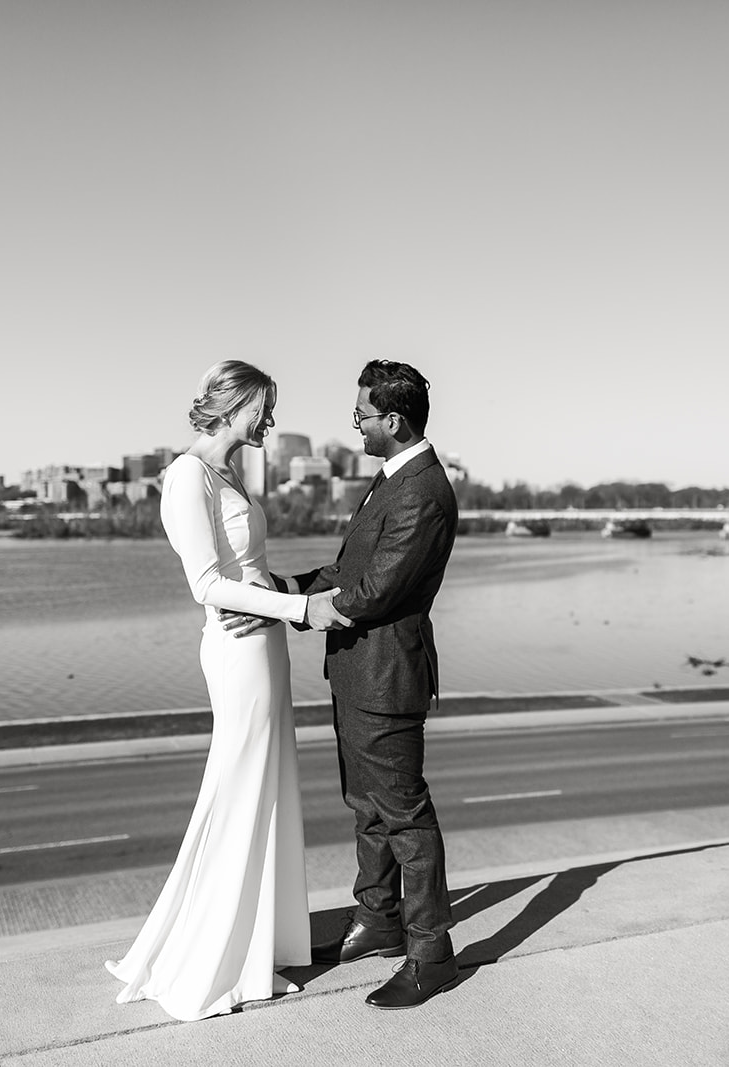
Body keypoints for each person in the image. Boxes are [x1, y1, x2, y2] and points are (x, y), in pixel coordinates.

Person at [104, 360, 352, 1022]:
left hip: (262, 642)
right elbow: (206, 584)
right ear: (235, 403)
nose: (268, 418)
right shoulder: (187, 475)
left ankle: (254, 948)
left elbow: (249, 571)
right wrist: (304, 613)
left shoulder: (224, 474)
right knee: (237, 792)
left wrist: (292, 595)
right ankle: (217, 963)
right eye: (262, 406)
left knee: (265, 791)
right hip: (239, 651)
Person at [259, 359, 462, 1009]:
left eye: (362, 414)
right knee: (367, 806)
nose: (354, 423)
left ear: (393, 421)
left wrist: (298, 610)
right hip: (356, 670)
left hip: (386, 674)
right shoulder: (391, 479)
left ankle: (431, 952)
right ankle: (377, 919)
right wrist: (287, 588)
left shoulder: (424, 491)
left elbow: (376, 591)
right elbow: (350, 566)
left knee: (405, 813)